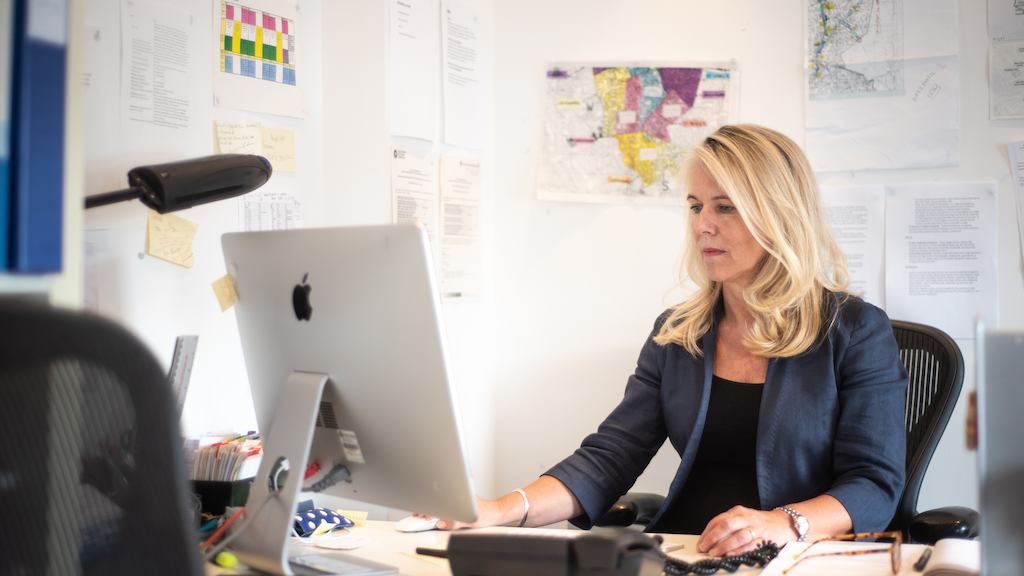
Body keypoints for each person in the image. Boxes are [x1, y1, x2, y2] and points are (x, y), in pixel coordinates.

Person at [438, 124, 907, 557]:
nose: (703, 224)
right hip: (687, 553)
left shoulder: (854, 332)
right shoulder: (679, 333)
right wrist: (500, 511)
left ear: (780, 215)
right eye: (695, 205)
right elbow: (609, 457)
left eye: (725, 207)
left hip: (796, 556)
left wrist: (783, 522)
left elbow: (874, 484)